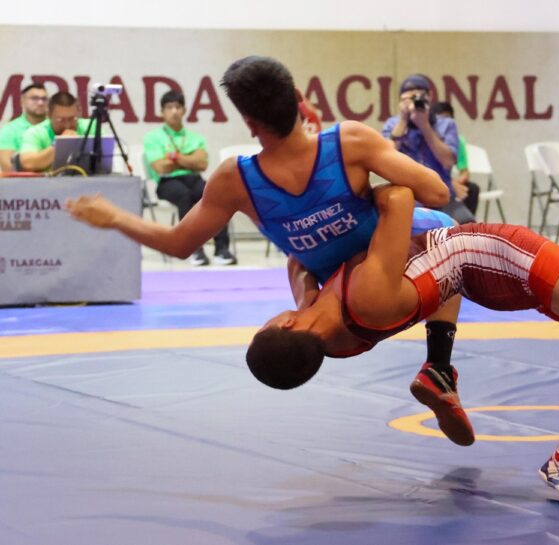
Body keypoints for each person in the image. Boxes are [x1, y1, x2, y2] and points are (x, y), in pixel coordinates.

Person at [239, 184, 559, 510]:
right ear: (283, 325)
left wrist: (304, 292)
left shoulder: (338, 337)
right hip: (479, 252)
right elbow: (397, 195)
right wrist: (346, 176)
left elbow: (299, 272)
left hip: (466, 274)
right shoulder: (353, 295)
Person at [67, 56, 466, 426]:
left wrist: (116, 217)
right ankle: (438, 364)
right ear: (297, 100)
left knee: (298, 262)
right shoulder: (348, 142)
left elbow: (178, 243)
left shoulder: (235, 179)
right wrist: (375, 193)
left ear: (249, 122)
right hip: (401, 264)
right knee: (420, 223)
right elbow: (435, 191)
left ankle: (433, 364)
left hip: (350, 293)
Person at [143, 90, 237, 266]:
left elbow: (202, 164)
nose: (174, 111)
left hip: (193, 178)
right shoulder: (152, 138)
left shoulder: (195, 137)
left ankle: (222, 249)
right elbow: (159, 167)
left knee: (215, 193)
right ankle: (194, 250)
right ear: (162, 112)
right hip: (167, 182)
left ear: (184, 110)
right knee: (183, 195)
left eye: (178, 107)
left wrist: (174, 157)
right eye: (169, 107)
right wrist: (188, 159)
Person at [382, 75, 475, 224]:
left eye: (418, 97)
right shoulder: (393, 124)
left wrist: (424, 126)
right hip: (408, 196)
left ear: (430, 96)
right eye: (407, 99)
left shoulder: (446, 124)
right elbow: (385, 159)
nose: (413, 103)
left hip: (443, 194)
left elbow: (448, 161)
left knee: (467, 223)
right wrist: (403, 121)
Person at [17, 91, 92, 172]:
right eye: (60, 120)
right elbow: (27, 163)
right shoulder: (35, 133)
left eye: (72, 119)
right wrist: (60, 144)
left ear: (79, 113)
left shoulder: (91, 127)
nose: (67, 125)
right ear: (49, 115)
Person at [431, 101, 480, 216]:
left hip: (448, 180)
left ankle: (467, 227)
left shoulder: (458, 140)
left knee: (472, 189)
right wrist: (449, 184)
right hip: (432, 180)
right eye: (440, 120)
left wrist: (455, 184)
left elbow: (465, 172)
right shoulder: (426, 138)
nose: (444, 124)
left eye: (448, 119)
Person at [0, 83, 48, 172]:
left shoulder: (54, 126)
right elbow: (7, 167)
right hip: (21, 184)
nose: (40, 103)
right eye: (35, 98)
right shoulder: (10, 129)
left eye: (44, 99)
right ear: (22, 100)